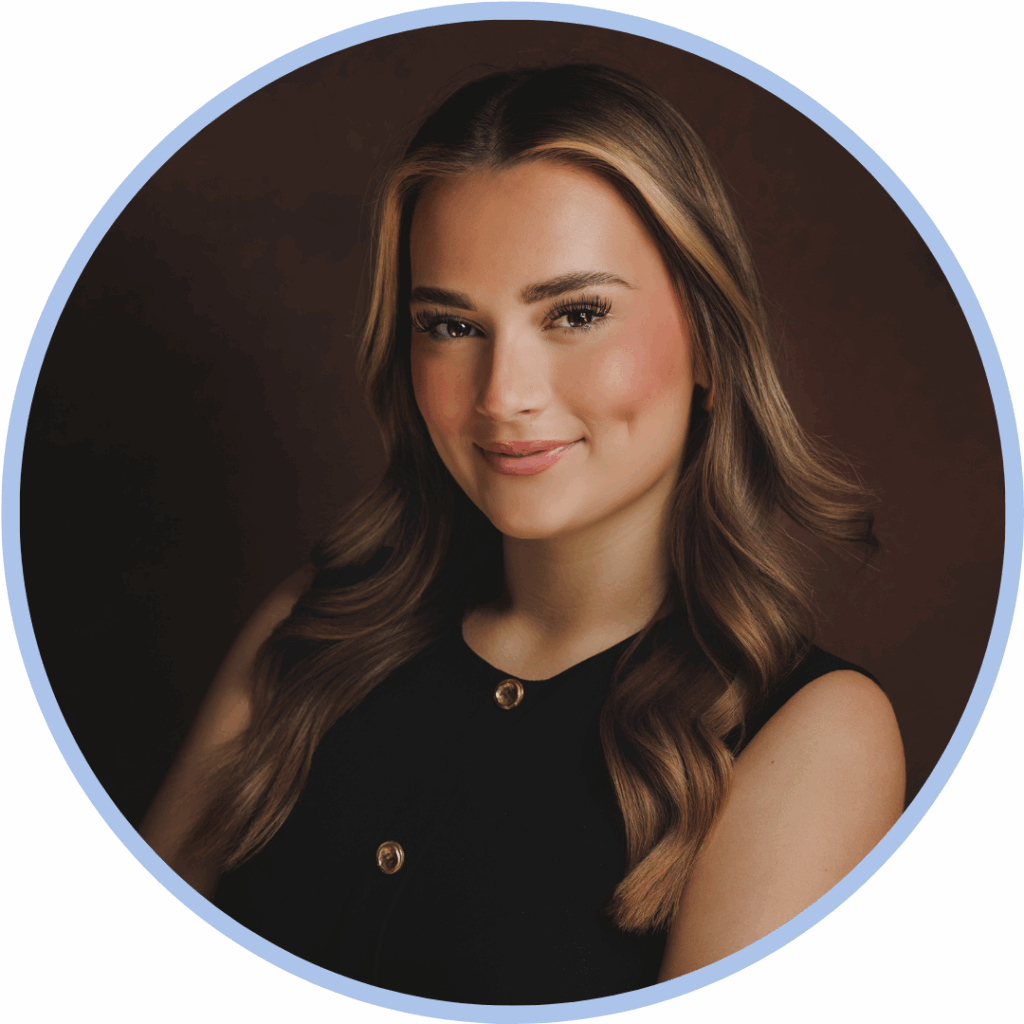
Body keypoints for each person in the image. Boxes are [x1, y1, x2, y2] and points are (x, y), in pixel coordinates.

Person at [141, 63, 905, 1004]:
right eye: (451, 325)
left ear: (709, 340)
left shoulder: (813, 731)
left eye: (576, 314)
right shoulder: (315, 627)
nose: (504, 397)